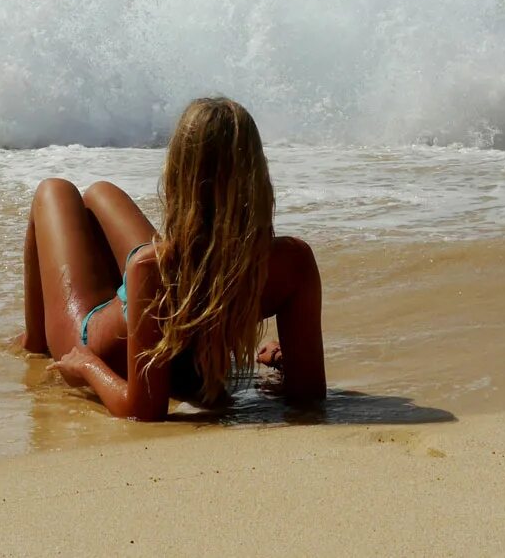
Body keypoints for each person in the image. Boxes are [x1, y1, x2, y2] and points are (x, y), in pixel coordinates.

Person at [18, 97, 325, 420]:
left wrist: (87, 366)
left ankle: (34, 341)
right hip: (169, 323)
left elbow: (142, 410)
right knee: (100, 192)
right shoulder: (295, 261)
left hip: (94, 338)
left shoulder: (152, 269)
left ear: (180, 176)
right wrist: (284, 365)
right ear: (258, 172)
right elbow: (308, 395)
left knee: (53, 191)